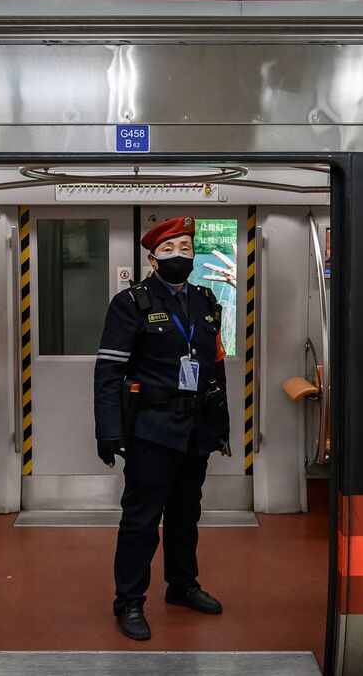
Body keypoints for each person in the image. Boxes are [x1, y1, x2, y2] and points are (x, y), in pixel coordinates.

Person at [93, 216, 232, 641]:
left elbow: (216, 368)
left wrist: (221, 427)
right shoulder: (130, 303)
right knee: (140, 519)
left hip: (195, 429)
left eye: (186, 250)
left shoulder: (206, 301)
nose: (180, 257)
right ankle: (129, 600)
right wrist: (107, 430)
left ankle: (182, 584)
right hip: (151, 430)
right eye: (170, 251)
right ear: (152, 259)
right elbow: (108, 372)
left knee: (187, 513)